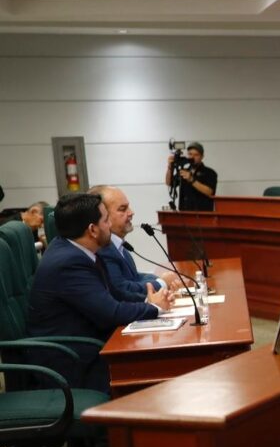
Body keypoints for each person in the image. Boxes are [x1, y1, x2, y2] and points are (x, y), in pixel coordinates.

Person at [27, 192, 176, 393]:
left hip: (87, 347)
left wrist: (149, 300)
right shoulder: (68, 263)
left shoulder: (78, 250)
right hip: (71, 362)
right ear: (93, 229)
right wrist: (154, 308)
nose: (110, 226)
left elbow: (114, 293)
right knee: (157, 369)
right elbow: (111, 312)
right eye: (106, 220)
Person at [92, 185, 179, 301]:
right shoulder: (103, 249)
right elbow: (121, 288)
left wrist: (161, 279)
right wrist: (161, 283)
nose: (131, 213)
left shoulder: (118, 245)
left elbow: (135, 277)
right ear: (103, 215)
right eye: (123, 209)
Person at [165, 140, 217, 211]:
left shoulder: (210, 172)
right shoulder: (183, 171)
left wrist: (192, 180)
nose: (192, 157)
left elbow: (209, 192)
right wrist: (170, 167)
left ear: (202, 156)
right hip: (184, 214)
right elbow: (169, 183)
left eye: (196, 155)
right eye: (190, 154)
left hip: (203, 215)